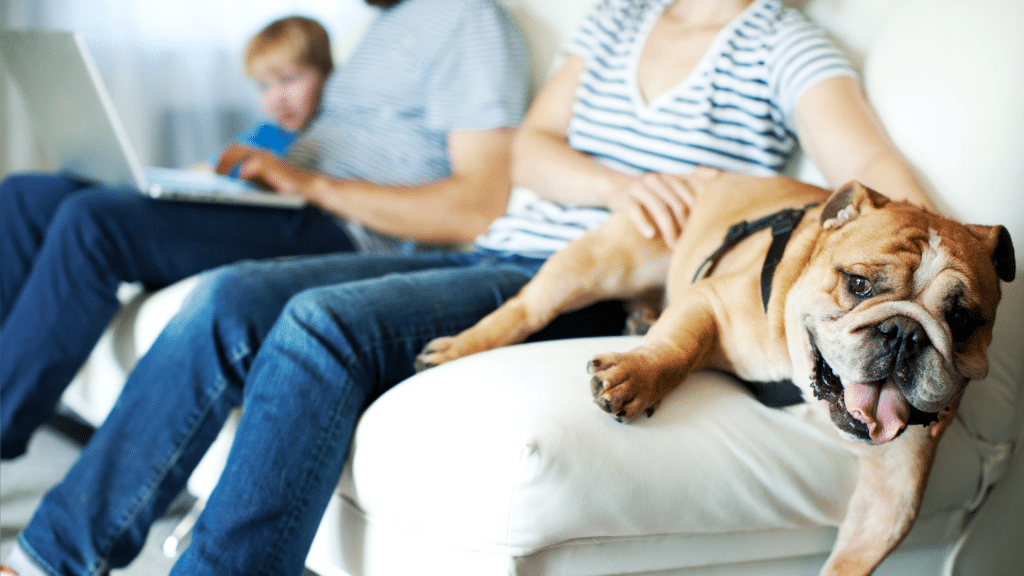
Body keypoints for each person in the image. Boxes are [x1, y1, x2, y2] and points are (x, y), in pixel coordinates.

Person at [3, 0, 934, 575]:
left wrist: (930, 283)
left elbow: (877, 176)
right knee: (226, 296)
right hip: (503, 243)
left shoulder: (780, 41)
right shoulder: (618, 17)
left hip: (591, 285)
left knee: (316, 325)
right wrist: (617, 182)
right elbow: (527, 150)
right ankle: (55, 558)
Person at [0, 0, 530, 459]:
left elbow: (476, 206)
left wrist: (309, 183)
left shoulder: (470, 18)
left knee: (94, 220)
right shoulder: (382, 24)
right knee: (27, 195)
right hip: (279, 202)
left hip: (338, 228)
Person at [193, 15, 334, 173]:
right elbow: (204, 170)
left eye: (288, 79)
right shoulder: (266, 135)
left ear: (326, 73)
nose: (276, 98)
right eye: (263, 86)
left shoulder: (337, 133)